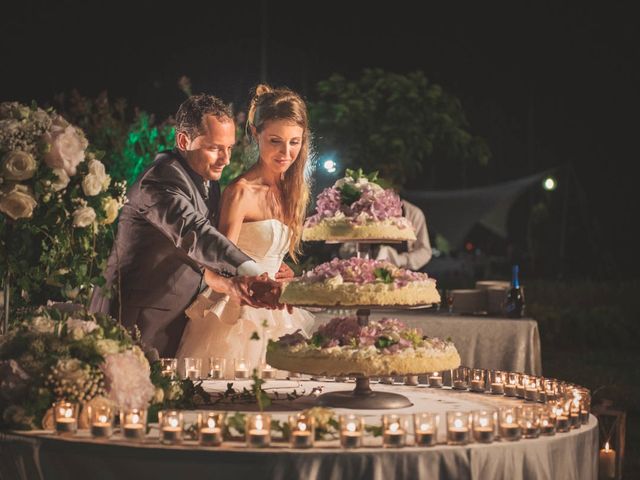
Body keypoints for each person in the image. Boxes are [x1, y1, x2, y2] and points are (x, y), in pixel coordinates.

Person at [90, 94, 285, 358]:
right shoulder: (159, 181)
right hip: (134, 322)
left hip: (178, 322)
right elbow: (198, 235)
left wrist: (254, 272)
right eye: (215, 148)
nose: (225, 159)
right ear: (183, 140)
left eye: (230, 148)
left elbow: (203, 253)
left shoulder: (208, 179)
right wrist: (252, 269)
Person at [176, 85, 315, 376]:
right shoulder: (240, 193)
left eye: (295, 142)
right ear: (255, 133)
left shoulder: (293, 191)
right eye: (275, 141)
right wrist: (241, 283)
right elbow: (212, 269)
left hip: (280, 311)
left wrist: (282, 268)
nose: (286, 152)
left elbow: (268, 250)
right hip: (239, 313)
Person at [339, 199, 433, 271]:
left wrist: (400, 259)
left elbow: (424, 251)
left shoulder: (413, 213)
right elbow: (345, 248)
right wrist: (366, 255)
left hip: (401, 274)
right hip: (365, 274)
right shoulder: (362, 213)